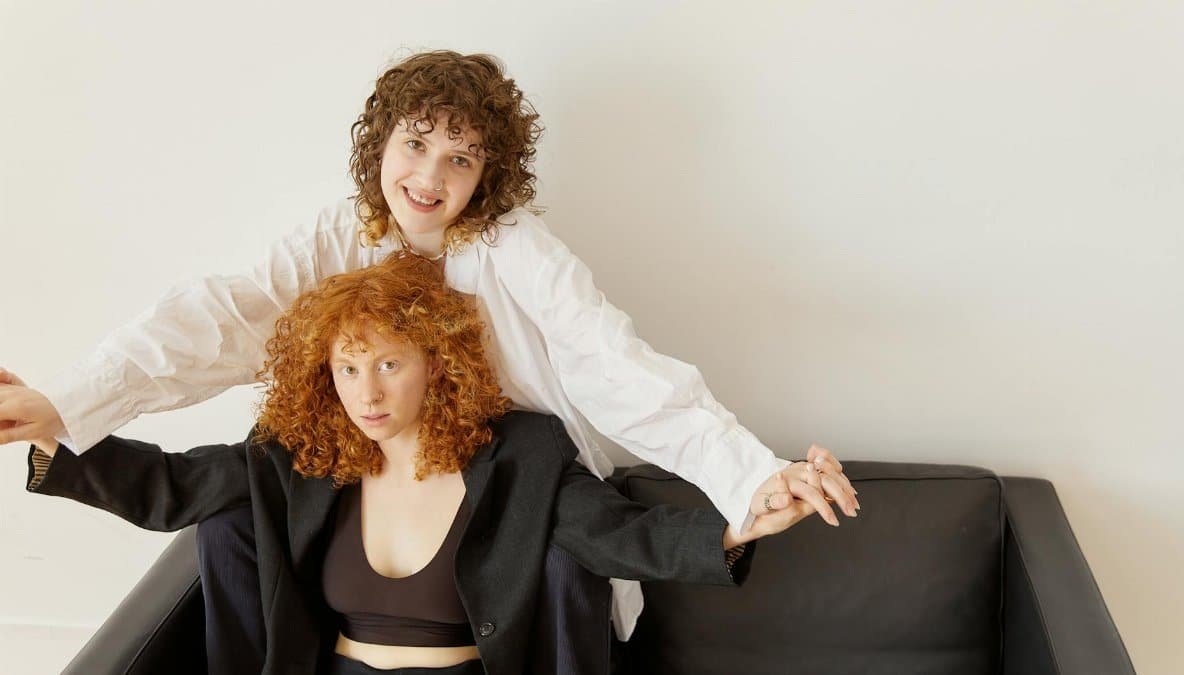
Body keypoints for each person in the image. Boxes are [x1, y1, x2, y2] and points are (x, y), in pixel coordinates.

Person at [0, 50, 858, 673]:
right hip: (381, 476)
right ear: (378, 145)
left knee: (561, 550)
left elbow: (619, 370)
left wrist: (750, 481)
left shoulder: (519, 254)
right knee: (235, 507)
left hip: (502, 481)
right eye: (414, 144)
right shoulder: (339, 243)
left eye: (460, 158)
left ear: (487, 177)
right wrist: (61, 405)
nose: (429, 175)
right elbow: (216, 319)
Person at [17, 254, 805, 675]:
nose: (368, 391)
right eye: (348, 368)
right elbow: (176, 484)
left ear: (437, 361)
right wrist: (43, 429)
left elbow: (613, 531)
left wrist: (735, 525)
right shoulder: (299, 457)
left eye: (389, 364)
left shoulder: (521, 453)